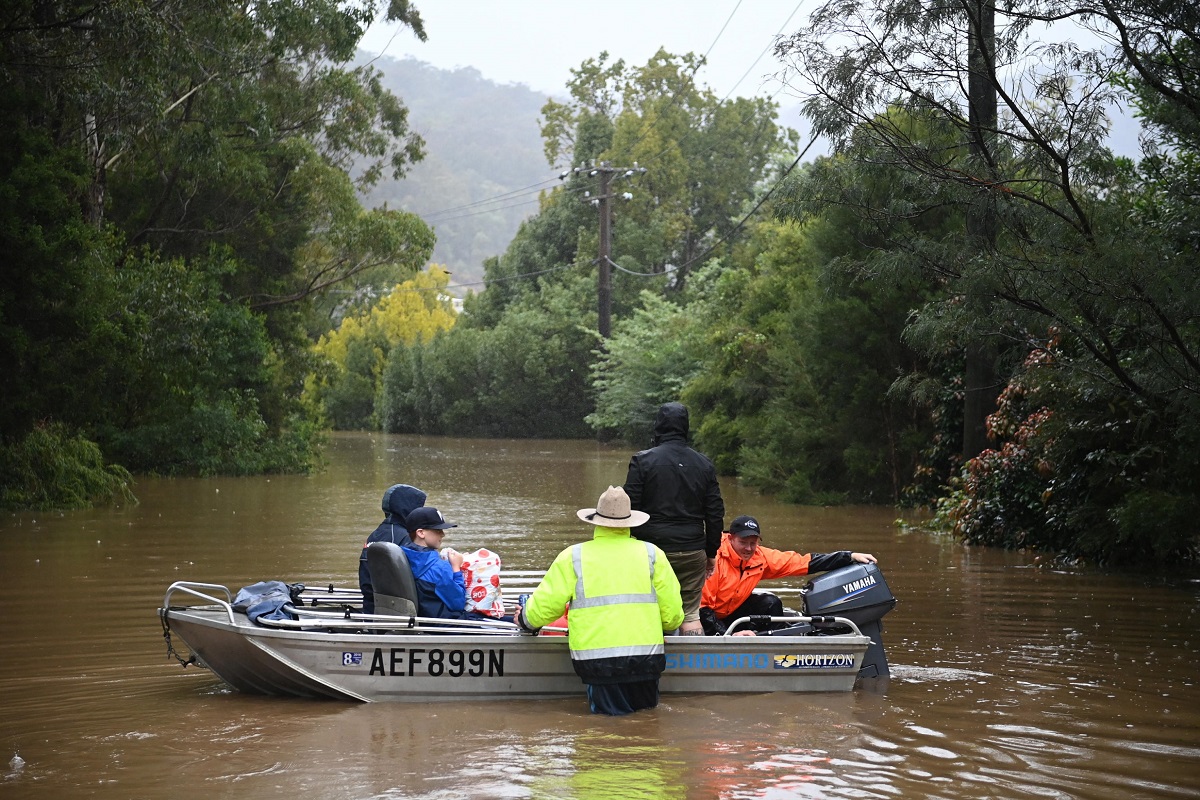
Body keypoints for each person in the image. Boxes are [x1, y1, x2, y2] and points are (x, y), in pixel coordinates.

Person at [517, 486, 684, 715]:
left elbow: (546, 606)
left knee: (606, 732)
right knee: (646, 731)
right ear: (629, 522)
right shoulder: (653, 554)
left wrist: (525, 619)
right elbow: (673, 616)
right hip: (646, 660)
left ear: (595, 521)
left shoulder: (573, 556)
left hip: (600, 663)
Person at [623, 401, 724, 635]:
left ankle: (650, 663)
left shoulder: (642, 461)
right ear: (685, 428)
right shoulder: (704, 464)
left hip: (650, 550)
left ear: (657, 426)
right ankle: (690, 667)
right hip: (692, 549)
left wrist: (630, 547)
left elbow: (629, 509)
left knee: (649, 609)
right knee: (690, 613)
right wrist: (710, 552)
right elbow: (715, 513)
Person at [700, 514, 878, 635]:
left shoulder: (760, 558)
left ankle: (777, 650)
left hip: (730, 612)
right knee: (705, 615)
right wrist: (728, 636)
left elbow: (802, 562)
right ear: (730, 539)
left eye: (753, 543)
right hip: (705, 616)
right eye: (743, 542)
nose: (748, 549)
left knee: (771, 603)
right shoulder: (713, 559)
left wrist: (848, 556)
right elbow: (702, 608)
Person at [402, 506, 508, 621]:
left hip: (426, 618)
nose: (443, 534)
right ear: (421, 533)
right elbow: (458, 603)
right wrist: (456, 568)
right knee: (513, 624)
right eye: (438, 530)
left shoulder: (404, 554)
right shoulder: (439, 567)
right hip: (446, 624)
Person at [359, 483, 427, 614]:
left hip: (372, 608)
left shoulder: (376, 534)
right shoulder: (406, 537)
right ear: (409, 508)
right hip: (399, 613)